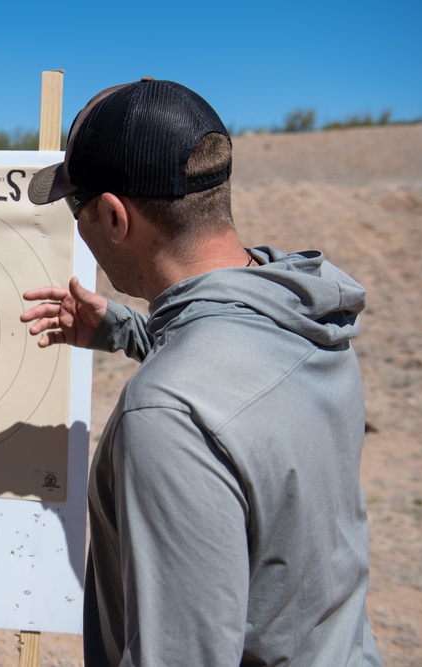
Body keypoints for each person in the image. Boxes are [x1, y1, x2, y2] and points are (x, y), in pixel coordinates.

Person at [21, 78, 382, 665]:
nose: (78, 229)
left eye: (75, 208)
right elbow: (236, 376)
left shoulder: (170, 416)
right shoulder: (305, 312)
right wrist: (123, 329)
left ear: (114, 216)